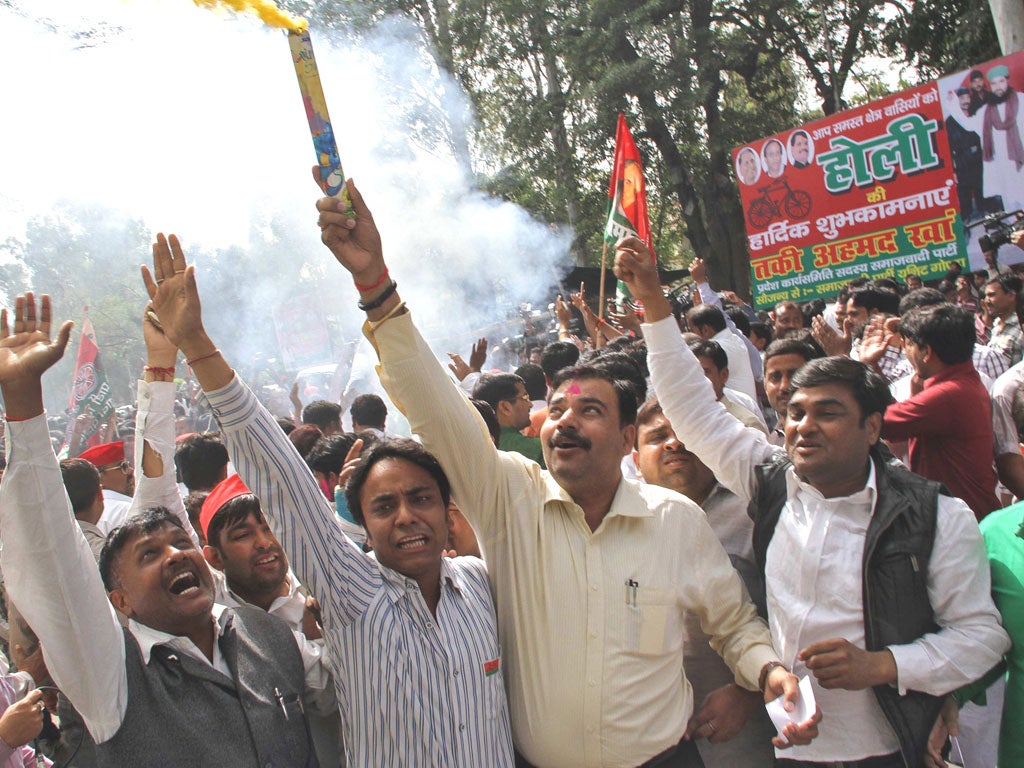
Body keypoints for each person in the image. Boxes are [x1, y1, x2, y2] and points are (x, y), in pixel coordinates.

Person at [315, 179, 815, 767]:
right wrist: (375, 285)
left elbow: (733, 624)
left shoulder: (675, 521)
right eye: (557, 409)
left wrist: (768, 671)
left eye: (591, 410)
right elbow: (435, 407)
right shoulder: (508, 499)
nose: (566, 422)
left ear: (628, 439)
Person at [614, 236, 1010, 768]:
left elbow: (982, 638)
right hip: (795, 748)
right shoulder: (771, 482)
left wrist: (885, 665)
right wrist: (653, 299)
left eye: (827, 413)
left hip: (895, 747)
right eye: (795, 413)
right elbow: (690, 407)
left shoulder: (934, 514)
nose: (803, 427)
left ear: (873, 427)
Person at [142, 234, 515, 766]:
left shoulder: (481, 584)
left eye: (421, 497)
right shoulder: (349, 589)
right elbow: (285, 483)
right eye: (384, 506)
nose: (407, 515)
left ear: (446, 506)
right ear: (359, 521)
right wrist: (199, 346)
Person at [0, 293, 331, 767]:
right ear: (119, 602)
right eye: (149, 556)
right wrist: (23, 403)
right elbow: (53, 557)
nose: (176, 555)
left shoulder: (268, 635)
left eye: (181, 543)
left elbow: (159, 491)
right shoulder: (112, 676)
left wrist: (161, 366)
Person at [633, 398, 775, 768]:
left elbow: (795, 619)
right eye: (658, 436)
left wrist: (749, 692)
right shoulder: (623, 526)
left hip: (744, 732)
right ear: (635, 460)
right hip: (657, 738)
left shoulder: (755, 515)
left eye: (683, 433)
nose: (674, 443)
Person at [862, 304, 1000, 520]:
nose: (906, 352)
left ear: (926, 352)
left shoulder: (946, 395)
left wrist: (867, 366)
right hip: (966, 510)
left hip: (959, 517)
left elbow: (880, 423)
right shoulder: (963, 382)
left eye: (908, 346)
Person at [473, 373, 546, 467]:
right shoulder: (539, 449)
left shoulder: (472, 447)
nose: (530, 404)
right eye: (525, 397)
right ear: (505, 407)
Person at [78, 440, 134, 535]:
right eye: (123, 466)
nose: (131, 471)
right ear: (99, 477)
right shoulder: (128, 509)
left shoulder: (81, 513)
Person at [985, 273, 1023, 366]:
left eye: (991, 295)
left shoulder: (1021, 327)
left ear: (1011, 296)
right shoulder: (996, 326)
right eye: (986, 296)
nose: (986, 301)